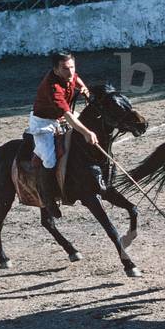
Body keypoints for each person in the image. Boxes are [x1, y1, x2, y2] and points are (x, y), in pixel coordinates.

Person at [28, 51, 98, 218]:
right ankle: (48, 198)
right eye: (66, 69)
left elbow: (77, 79)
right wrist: (87, 133)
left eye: (72, 67)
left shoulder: (69, 75)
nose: (71, 72)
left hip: (60, 119)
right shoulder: (53, 88)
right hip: (44, 123)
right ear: (55, 69)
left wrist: (83, 89)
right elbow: (69, 116)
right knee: (50, 160)